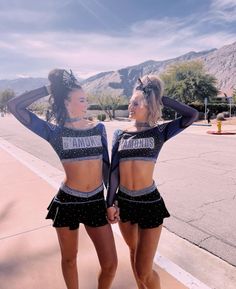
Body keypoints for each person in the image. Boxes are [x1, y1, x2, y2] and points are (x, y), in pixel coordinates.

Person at [7, 69, 117, 289]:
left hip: (95, 201)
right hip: (68, 201)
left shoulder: (99, 129)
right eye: (82, 99)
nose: (87, 103)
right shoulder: (54, 132)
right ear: (67, 103)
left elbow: (107, 166)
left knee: (111, 264)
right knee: (69, 259)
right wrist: (50, 88)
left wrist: (111, 202)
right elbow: (14, 106)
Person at [106, 75, 199, 289]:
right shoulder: (121, 134)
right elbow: (113, 172)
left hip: (149, 203)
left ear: (149, 106)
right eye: (131, 101)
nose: (130, 105)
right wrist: (110, 203)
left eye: (136, 102)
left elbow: (191, 114)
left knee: (144, 271)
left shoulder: (159, 132)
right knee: (132, 252)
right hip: (125, 202)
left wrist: (159, 96)